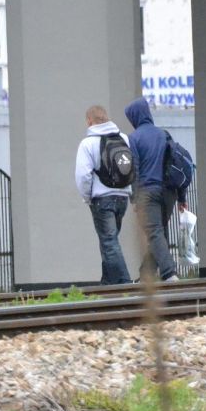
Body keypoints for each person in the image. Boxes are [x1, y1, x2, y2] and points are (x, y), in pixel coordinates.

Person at [125, 97, 187, 282]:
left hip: (148, 193)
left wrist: (135, 198)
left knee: (154, 233)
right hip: (169, 193)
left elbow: (135, 169)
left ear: (134, 117)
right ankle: (145, 276)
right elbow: (177, 163)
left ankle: (169, 273)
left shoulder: (134, 138)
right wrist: (182, 197)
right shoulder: (163, 134)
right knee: (160, 234)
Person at [75, 105, 132, 285]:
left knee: (109, 242)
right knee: (109, 241)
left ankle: (124, 283)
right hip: (122, 197)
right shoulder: (124, 138)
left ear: (89, 121)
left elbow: (83, 175)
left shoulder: (88, 143)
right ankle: (107, 283)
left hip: (102, 199)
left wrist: (87, 197)